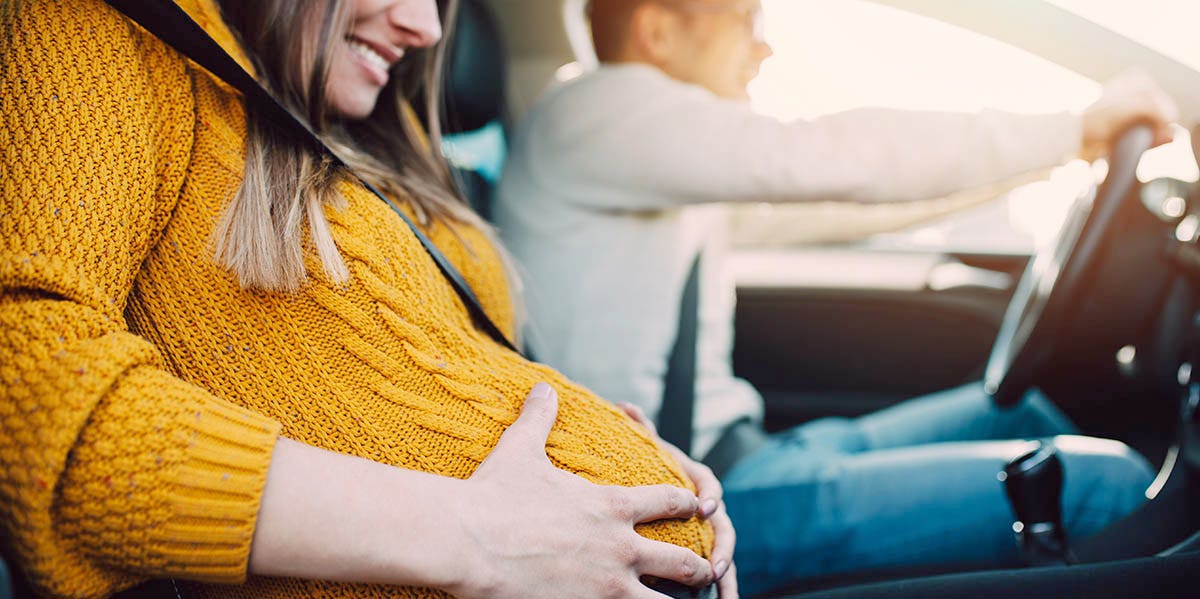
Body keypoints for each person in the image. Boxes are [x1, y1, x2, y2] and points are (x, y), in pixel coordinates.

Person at [0, 1, 739, 597]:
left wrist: (643, 457)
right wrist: (470, 534)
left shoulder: (380, 123)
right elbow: (26, 387)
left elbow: (448, 360)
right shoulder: (108, 31)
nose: (427, 27)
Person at [494, 0, 1178, 593]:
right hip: (689, 509)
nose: (764, 46)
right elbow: (829, 156)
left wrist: (1056, 158)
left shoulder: (649, 161)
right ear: (657, 31)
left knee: (1019, 409)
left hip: (744, 456)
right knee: (1102, 482)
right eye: (743, 18)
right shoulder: (597, 112)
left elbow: (847, 202)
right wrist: (1071, 128)